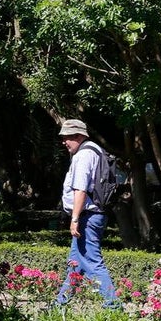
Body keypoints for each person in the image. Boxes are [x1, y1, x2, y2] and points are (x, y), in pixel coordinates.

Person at [55, 119, 119, 308]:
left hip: (87, 217)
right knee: (75, 263)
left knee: (92, 261)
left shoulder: (83, 155)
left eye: (67, 137)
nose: (64, 142)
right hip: (93, 215)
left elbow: (80, 190)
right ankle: (60, 305)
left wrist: (74, 218)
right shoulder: (95, 150)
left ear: (79, 136)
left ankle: (113, 306)